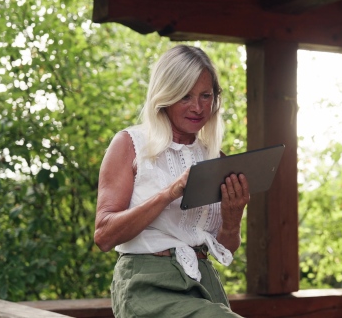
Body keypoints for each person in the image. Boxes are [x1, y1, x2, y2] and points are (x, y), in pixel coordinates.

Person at [94, 45, 249, 317]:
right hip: (148, 283)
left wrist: (234, 216)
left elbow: (226, 249)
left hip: (205, 283)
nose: (198, 107)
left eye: (205, 96)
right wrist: (170, 192)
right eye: (185, 96)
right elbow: (104, 236)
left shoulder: (216, 158)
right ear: (166, 95)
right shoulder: (130, 144)